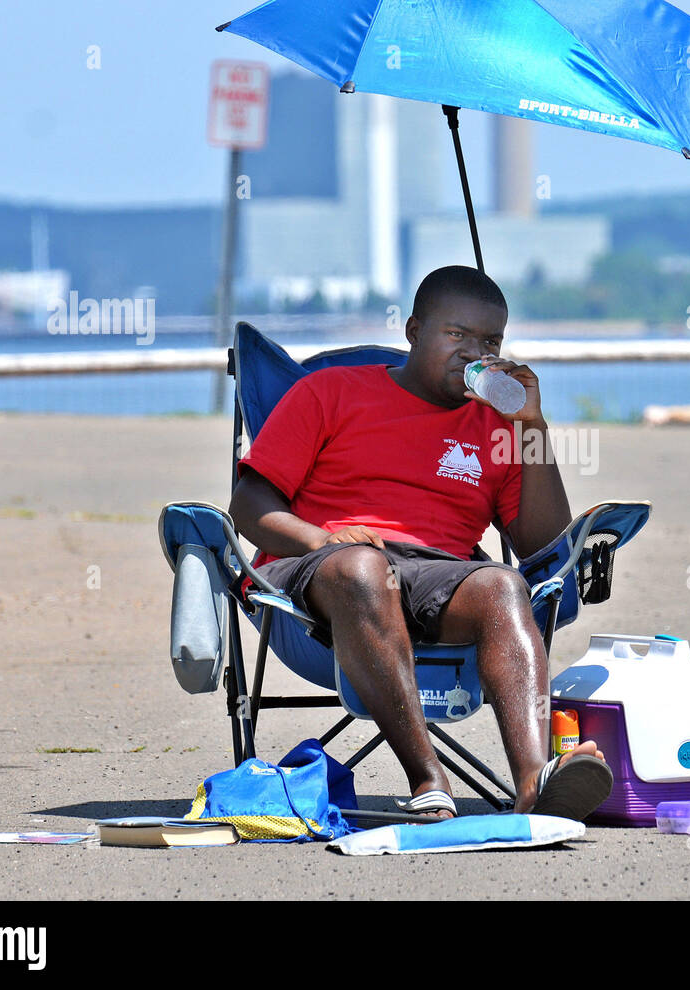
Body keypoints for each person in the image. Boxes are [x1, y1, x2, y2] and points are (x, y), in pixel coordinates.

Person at [229, 265, 612, 821]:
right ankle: (428, 777)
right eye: (457, 335)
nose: (473, 352)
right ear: (413, 330)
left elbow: (543, 544)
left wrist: (532, 425)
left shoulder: (495, 426)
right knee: (363, 569)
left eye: (490, 342)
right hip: (319, 579)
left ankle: (534, 782)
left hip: (439, 575)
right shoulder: (329, 392)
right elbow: (249, 506)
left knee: (505, 584)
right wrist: (324, 540)